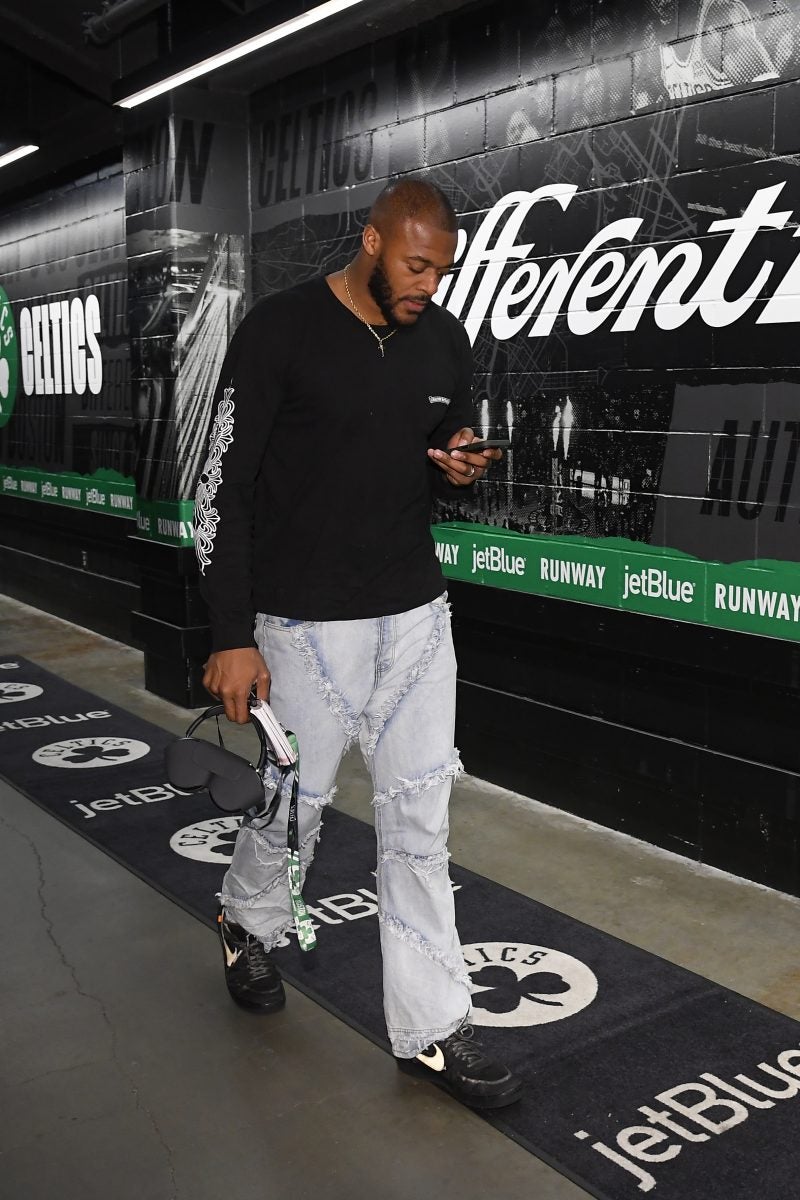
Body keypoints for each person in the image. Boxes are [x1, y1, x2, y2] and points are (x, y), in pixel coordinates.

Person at [194, 178, 522, 1110]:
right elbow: (224, 488)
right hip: (299, 630)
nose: (430, 284)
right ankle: (246, 919)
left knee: (419, 825)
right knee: (295, 811)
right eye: (416, 265)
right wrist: (230, 635)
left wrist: (455, 462)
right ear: (372, 242)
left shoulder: (444, 339)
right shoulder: (280, 331)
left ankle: (432, 1028)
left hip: (416, 616)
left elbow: (438, 449)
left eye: (442, 269)